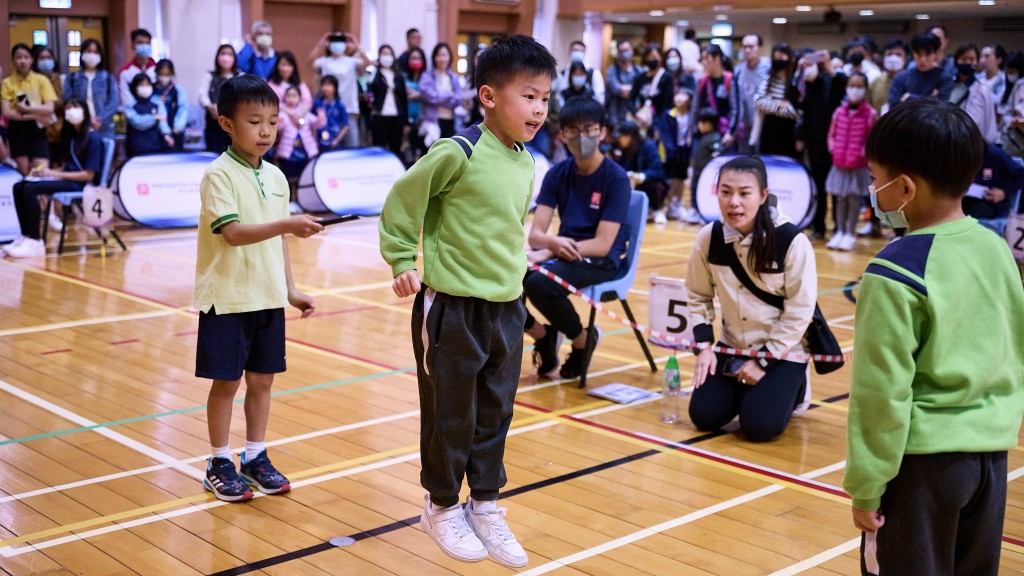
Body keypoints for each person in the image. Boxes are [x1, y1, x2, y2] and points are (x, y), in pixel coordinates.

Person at [378, 34, 556, 568]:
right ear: (488, 96)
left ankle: (486, 505)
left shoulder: (527, 161)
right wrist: (403, 260)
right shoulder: (456, 152)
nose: (539, 108)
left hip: (506, 308)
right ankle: (439, 505)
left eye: (545, 97)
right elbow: (401, 203)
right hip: (452, 309)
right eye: (529, 96)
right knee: (449, 414)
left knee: (495, 413)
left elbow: (505, 227)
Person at [844, 98, 1024, 576]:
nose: (872, 189)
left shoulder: (892, 270)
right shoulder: (995, 247)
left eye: (874, 177)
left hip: (920, 471)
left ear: (904, 187)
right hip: (990, 461)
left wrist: (866, 488)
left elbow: (879, 394)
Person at [195, 74, 323, 503]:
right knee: (226, 385)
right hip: (228, 297)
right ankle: (217, 461)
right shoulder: (219, 175)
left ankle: (254, 456)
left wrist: (290, 289)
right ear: (227, 123)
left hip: (267, 296)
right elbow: (232, 233)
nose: (266, 130)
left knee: (263, 382)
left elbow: (278, 241)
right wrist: (287, 223)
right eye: (255, 121)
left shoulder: (277, 176)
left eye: (272, 121)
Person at [687, 155, 817, 442]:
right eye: (725, 192)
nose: (734, 202)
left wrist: (764, 362)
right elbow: (697, 295)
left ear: (763, 196)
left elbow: (800, 311)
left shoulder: (792, 241)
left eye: (745, 193)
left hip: (782, 351)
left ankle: (794, 386)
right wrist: (704, 347)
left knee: (759, 428)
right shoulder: (709, 238)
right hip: (732, 346)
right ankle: (751, 389)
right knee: (703, 417)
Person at [524, 98, 630, 379]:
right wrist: (552, 247)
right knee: (508, 277)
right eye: (573, 130)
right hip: (565, 253)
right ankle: (542, 335)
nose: (582, 137)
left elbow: (603, 244)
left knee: (538, 283)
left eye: (589, 129)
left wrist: (552, 249)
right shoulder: (557, 174)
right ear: (562, 135)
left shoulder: (616, 179)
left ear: (602, 132)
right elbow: (536, 234)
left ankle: (582, 340)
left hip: (599, 260)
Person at [3, 99, 100, 259]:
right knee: (19, 186)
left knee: (30, 189)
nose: (71, 111)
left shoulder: (94, 138)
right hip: (68, 180)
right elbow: (68, 167)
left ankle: (36, 241)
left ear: (85, 111)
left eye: (75, 107)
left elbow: (88, 175)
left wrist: (55, 174)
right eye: (68, 107)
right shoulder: (72, 138)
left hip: (81, 185)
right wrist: (46, 173)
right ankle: (26, 235)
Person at [796, 49, 848, 239]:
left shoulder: (829, 82)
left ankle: (837, 227)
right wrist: (799, 69)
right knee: (817, 186)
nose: (808, 69)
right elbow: (800, 111)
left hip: (834, 145)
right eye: (805, 65)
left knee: (835, 188)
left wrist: (828, 66)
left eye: (811, 65)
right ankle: (818, 226)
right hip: (814, 144)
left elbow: (842, 86)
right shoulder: (803, 86)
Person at [826, 72, 876, 251]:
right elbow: (831, 134)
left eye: (859, 86)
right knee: (840, 199)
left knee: (854, 200)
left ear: (865, 89)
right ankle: (839, 231)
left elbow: (871, 139)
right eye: (851, 85)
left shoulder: (870, 113)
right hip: (839, 162)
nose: (854, 89)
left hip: (858, 164)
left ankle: (849, 233)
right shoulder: (839, 112)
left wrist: (864, 152)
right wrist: (833, 148)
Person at [1, 43, 57, 176]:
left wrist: (26, 109)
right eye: (18, 57)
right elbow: (6, 112)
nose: (22, 61)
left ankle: (43, 197)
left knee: (42, 171)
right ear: (13, 61)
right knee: (24, 174)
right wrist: (35, 115)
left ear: (32, 60)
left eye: (26, 57)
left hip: (37, 130)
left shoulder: (41, 80)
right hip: (17, 130)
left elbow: (49, 108)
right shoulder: (7, 83)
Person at [309, 31, 370, 149]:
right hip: (329, 110)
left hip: (349, 109)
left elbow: (368, 63)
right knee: (329, 145)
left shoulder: (352, 61)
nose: (337, 44)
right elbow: (310, 63)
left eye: (340, 41)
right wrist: (320, 45)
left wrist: (357, 47)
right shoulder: (324, 61)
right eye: (334, 41)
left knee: (352, 145)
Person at [611, 120, 668, 224]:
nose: (619, 139)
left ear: (630, 137)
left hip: (650, 183)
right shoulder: (625, 150)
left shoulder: (648, 146)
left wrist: (642, 176)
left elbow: (658, 171)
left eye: (621, 136)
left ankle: (657, 210)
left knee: (652, 184)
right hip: (632, 184)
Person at [64, 39, 119, 142]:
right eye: (89, 51)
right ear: (82, 54)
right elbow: (68, 101)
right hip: (79, 126)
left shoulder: (107, 77)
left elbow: (113, 102)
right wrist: (87, 120)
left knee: (104, 156)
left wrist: (99, 119)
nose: (92, 55)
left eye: (95, 52)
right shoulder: (72, 77)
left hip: (104, 127)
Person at [754, 43, 798, 158]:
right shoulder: (768, 79)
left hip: (788, 132)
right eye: (776, 57)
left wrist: (769, 103)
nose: (779, 60)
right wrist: (779, 104)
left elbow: (794, 112)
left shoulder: (795, 82)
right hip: (768, 129)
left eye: (782, 57)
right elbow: (757, 101)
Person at [728, 34, 770, 153]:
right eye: (744, 47)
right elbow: (735, 103)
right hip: (744, 126)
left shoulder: (768, 68)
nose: (747, 50)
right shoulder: (738, 71)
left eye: (751, 47)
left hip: (764, 125)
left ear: (759, 48)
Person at [888, 33, 954, 109]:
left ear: (936, 54)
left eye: (927, 54)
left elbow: (941, 108)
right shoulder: (900, 78)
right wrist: (930, 99)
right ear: (913, 53)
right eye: (919, 54)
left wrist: (910, 97)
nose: (923, 60)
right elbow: (893, 106)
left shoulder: (945, 79)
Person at [962, 142, 1024, 223]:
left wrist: (1004, 192)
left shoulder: (994, 154)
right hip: (962, 196)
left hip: (988, 201)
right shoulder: (956, 155)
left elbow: (1022, 174)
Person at [951, 44, 999, 145]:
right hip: (950, 139)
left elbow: (990, 123)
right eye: (964, 59)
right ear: (956, 61)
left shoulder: (983, 90)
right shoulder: (948, 85)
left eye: (972, 59)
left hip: (973, 143)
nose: (968, 63)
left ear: (977, 62)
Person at [199, 44, 239, 154]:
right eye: (223, 54)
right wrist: (211, 106)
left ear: (234, 58)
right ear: (217, 57)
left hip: (234, 126)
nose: (226, 57)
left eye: (229, 54)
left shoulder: (239, 76)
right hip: (212, 123)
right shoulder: (209, 75)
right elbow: (202, 95)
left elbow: (243, 98)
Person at [370, 44, 408, 158]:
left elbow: (404, 99)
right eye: (384, 54)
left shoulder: (398, 76)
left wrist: (406, 122)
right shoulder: (374, 74)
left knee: (395, 148)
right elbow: (370, 92)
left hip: (396, 117)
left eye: (389, 54)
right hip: (379, 116)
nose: (387, 57)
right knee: (378, 148)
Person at [275, 84, 318, 184]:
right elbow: (278, 128)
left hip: (304, 149)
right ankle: (290, 197)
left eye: (294, 96)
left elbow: (316, 123)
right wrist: (279, 122)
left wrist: (321, 119)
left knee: (303, 174)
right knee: (288, 175)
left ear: (299, 97)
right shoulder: (282, 114)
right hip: (289, 151)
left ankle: (299, 196)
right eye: (288, 96)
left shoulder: (305, 112)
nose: (291, 98)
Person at [419, 42, 462, 140]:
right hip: (431, 122)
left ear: (449, 57)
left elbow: (458, 99)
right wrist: (449, 95)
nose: (442, 59)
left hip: (450, 120)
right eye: (439, 55)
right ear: (434, 57)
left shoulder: (454, 77)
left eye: (444, 55)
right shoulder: (427, 76)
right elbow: (428, 96)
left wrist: (439, 98)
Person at [125, 74, 172, 157]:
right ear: (135, 87)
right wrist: (154, 118)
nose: (145, 87)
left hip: (156, 146)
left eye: (147, 84)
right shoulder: (130, 106)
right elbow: (137, 122)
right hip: (136, 148)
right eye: (142, 85)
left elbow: (163, 121)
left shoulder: (157, 103)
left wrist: (166, 135)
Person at [692, 45, 732, 140]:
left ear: (717, 59)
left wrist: (730, 133)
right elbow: (695, 108)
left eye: (706, 58)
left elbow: (736, 110)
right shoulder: (701, 81)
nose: (703, 62)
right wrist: (692, 131)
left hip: (723, 135)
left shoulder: (729, 80)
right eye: (702, 59)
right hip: (701, 134)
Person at [32, 46, 63, 162]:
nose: (45, 61)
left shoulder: (61, 79)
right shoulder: (32, 80)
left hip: (60, 130)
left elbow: (65, 102)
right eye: (42, 58)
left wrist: (50, 105)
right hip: (40, 130)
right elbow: (34, 106)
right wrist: (53, 104)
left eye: (48, 58)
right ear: (35, 61)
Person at [555, 40, 605, 105]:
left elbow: (600, 98)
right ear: (569, 52)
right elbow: (558, 97)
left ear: (585, 53)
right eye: (575, 50)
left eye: (581, 51)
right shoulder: (562, 74)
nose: (578, 53)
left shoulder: (594, 73)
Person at [153, 59, 188, 151]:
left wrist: (178, 126)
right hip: (155, 133)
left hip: (175, 131)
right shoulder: (151, 90)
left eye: (167, 75)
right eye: (161, 74)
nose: (164, 77)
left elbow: (183, 109)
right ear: (156, 73)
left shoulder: (177, 90)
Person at [117, 28, 156, 107]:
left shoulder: (158, 69)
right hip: (134, 115)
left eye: (147, 43)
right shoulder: (125, 72)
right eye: (140, 43)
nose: (144, 46)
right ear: (132, 45)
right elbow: (126, 99)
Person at [868, 39, 907, 115]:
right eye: (889, 54)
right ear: (884, 58)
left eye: (898, 54)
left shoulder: (912, 80)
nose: (893, 58)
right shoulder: (875, 82)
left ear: (905, 59)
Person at [605, 39, 639, 128]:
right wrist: (633, 90)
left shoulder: (638, 70)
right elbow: (616, 90)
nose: (625, 53)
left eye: (627, 50)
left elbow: (641, 91)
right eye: (622, 51)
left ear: (632, 50)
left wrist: (625, 89)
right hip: (615, 117)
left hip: (635, 116)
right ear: (618, 52)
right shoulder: (612, 70)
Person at [691, 108, 723, 200]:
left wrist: (710, 161)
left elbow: (718, 153)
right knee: (694, 190)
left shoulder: (714, 137)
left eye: (701, 123)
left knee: (701, 193)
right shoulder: (705, 137)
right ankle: (694, 210)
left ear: (708, 125)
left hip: (704, 173)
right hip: (698, 171)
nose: (698, 126)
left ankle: (698, 210)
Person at [312, 75, 349, 153]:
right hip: (320, 141)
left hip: (335, 142)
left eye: (329, 85)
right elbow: (312, 123)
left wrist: (336, 141)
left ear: (335, 87)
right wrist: (314, 140)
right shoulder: (317, 103)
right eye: (323, 85)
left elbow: (345, 126)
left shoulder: (340, 105)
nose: (325, 88)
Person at [403, 47, 427, 161]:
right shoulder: (404, 78)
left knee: (423, 156)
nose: (415, 60)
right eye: (413, 58)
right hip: (408, 122)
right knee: (409, 155)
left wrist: (418, 94)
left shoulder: (427, 77)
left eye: (418, 58)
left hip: (424, 122)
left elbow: (430, 95)